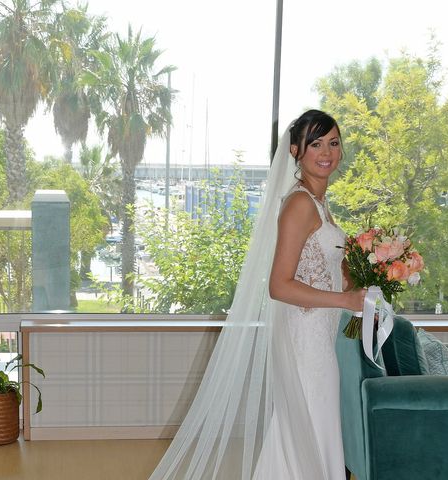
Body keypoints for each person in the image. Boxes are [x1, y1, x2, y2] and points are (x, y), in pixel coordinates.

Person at [149, 110, 366, 480]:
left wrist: (362, 277)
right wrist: (345, 301)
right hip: (305, 340)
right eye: (316, 144)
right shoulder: (300, 204)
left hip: (319, 337)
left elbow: (323, 273)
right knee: (308, 430)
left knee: (305, 432)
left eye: (333, 142)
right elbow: (279, 285)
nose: (327, 152)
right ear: (296, 150)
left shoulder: (320, 205)